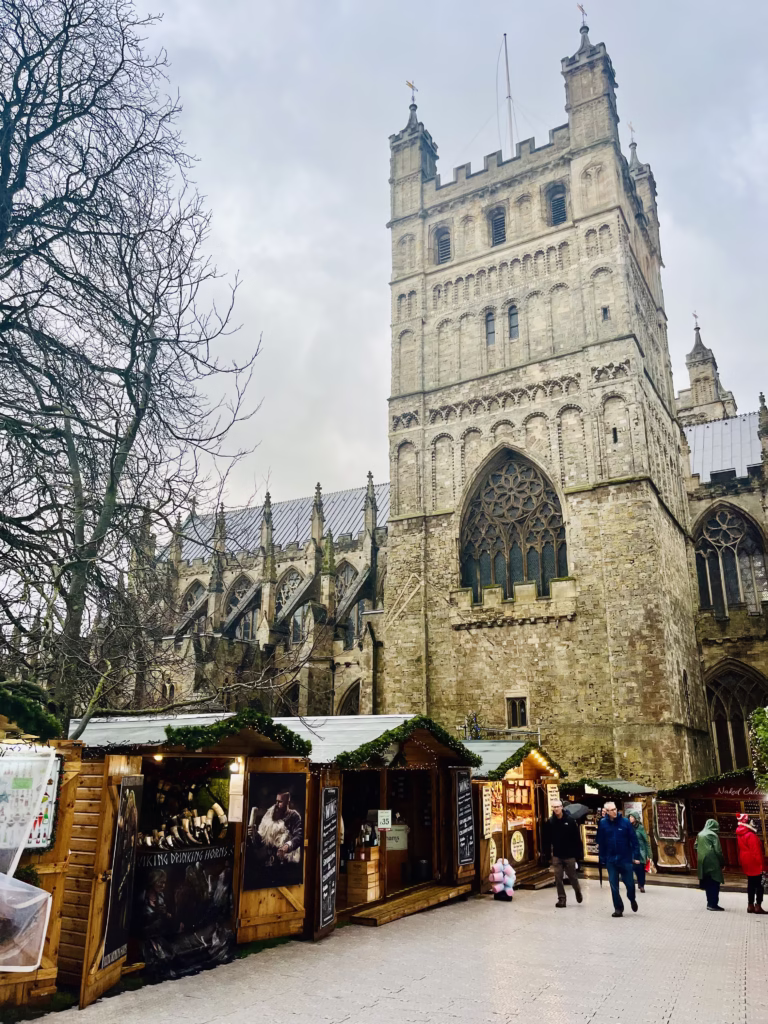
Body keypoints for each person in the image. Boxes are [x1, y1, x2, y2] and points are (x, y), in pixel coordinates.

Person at [597, 801, 641, 917]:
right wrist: (602, 857)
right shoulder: (603, 823)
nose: (614, 811)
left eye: (615, 809)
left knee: (630, 884)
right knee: (613, 885)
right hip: (611, 859)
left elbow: (634, 840)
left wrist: (635, 856)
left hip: (625, 859)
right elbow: (601, 841)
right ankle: (618, 908)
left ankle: (632, 899)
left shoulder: (625, 822)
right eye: (611, 810)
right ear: (606, 812)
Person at [546, 799, 583, 908]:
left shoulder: (570, 821)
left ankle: (577, 890)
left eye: (558, 807)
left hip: (569, 854)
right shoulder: (550, 822)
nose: (556, 809)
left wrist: (578, 855)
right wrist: (547, 853)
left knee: (572, 877)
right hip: (557, 854)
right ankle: (561, 899)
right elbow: (547, 839)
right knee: (558, 878)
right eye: (554, 807)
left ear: (562, 807)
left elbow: (576, 838)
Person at [735, 813, 766, 915]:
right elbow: (756, 852)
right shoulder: (751, 835)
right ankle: (758, 906)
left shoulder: (740, 834)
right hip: (754, 862)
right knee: (759, 885)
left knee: (751, 884)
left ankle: (750, 905)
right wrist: (762, 866)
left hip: (746, 861)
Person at [695, 818, 725, 911]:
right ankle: (713, 904)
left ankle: (709, 903)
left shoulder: (700, 834)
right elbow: (718, 850)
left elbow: (695, 846)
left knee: (707, 882)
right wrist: (722, 862)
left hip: (701, 861)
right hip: (712, 860)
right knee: (715, 882)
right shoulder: (713, 835)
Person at [627, 810, 652, 893]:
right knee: (633, 868)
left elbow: (646, 841)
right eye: (629, 817)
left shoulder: (640, 828)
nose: (630, 818)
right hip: (631, 851)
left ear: (636, 818)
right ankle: (637, 882)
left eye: (632, 817)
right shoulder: (628, 827)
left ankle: (642, 885)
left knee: (640, 869)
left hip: (641, 851)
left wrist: (649, 854)